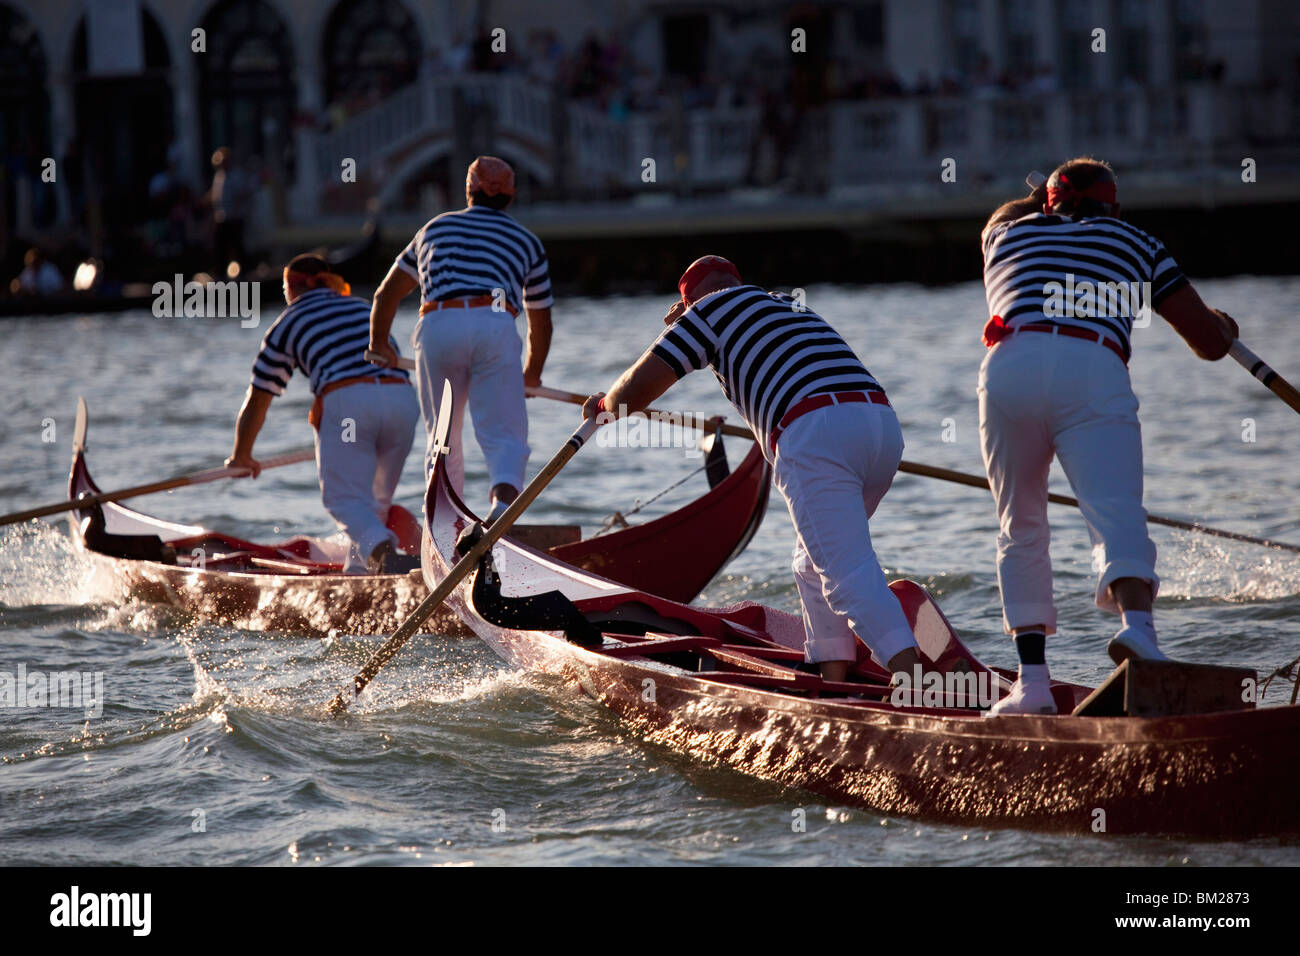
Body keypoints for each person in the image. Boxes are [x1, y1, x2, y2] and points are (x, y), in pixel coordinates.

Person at [581, 255, 927, 683]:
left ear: (690, 301)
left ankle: (918, 685)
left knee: (845, 572)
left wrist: (601, 406)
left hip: (815, 430)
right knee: (811, 562)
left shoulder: (707, 311)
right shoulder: (783, 303)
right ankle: (834, 679)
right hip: (879, 425)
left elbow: (634, 394)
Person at [979, 157, 1240, 715]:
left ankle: (1032, 686)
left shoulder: (1004, 232)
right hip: (1092, 365)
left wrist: (1043, 200)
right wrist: (1224, 324)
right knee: (1116, 510)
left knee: (1020, 524)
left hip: (1010, 365)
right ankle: (1138, 630)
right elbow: (1209, 343)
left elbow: (1016, 208)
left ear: (1047, 203)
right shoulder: (1138, 243)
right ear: (1114, 206)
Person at [367, 156, 553, 522]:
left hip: (439, 323)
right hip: (495, 323)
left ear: (468, 192)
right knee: (504, 436)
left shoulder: (432, 229)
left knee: (443, 435)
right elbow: (541, 322)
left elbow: (386, 294)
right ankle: (501, 509)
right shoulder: (528, 242)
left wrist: (378, 344)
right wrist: (531, 374)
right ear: (510, 197)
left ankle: (444, 523)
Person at [226, 254, 421, 573]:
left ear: (290, 287)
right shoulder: (360, 307)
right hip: (402, 401)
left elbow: (260, 395)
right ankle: (361, 575)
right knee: (374, 506)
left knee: (342, 500)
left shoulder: (287, 322)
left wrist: (241, 456)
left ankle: (386, 558)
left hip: (350, 408)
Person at [209, 147, 256, 277]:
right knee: (220, 246)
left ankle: (245, 272)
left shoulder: (236, 175)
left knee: (237, 246)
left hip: (234, 217)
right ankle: (220, 273)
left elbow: (242, 193)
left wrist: (236, 207)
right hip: (222, 216)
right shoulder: (219, 176)